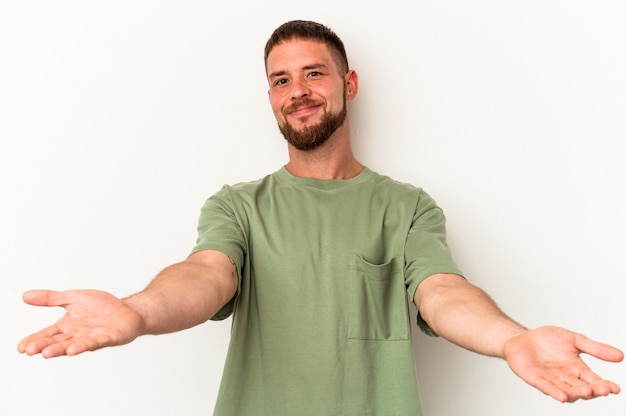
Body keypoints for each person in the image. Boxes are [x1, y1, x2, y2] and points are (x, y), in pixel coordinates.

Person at [18, 20, 623, 416]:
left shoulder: (406, 206)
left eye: (314, 73)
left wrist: (513, 339)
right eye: (281, 80)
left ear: (348, 83)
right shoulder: (238, 206)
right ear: (271, 97)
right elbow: (206, 274)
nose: (297, 90)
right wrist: (138, 311)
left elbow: (443, 293)